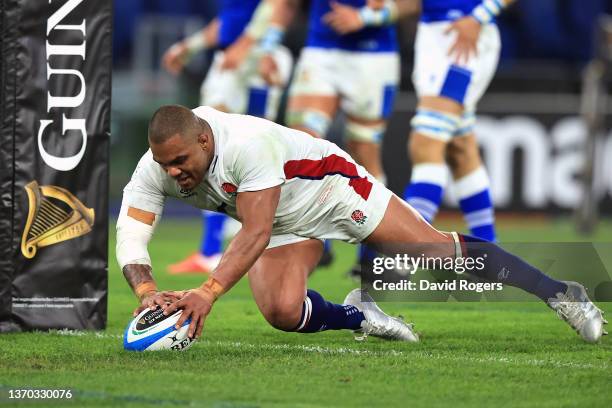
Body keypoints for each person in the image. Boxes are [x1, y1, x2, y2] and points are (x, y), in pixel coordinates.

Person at [116, 104, 607, 344]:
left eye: (181, 160)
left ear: (204, 139)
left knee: (436, 254)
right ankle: (361, 314)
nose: (174, 172)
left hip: (331, 189)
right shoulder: (154, 169)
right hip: (277, 217)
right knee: (283, 313)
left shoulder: (245, 144)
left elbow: (256, 231)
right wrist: (146, 293)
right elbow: (132, 237)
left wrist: (207, 290)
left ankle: (562, 292)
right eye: (166, 165)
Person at [261, 0, 419, 269]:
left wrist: (365, 17)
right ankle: (316, 240)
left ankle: (372, 256)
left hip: (373, 56)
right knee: (302, 145)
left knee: (364, 150)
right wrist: (268, 47)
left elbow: (412, 4)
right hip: (320, 53)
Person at [161, 0, 293, 274]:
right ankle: (210, 249)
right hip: (232, 57)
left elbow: (281, 5)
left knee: (259, 145)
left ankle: (274, 239)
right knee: (207, 141)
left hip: (259, 55)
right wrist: (189, 47)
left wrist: (256, 48)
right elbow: (229, 20)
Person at [404, 0, 515, 242]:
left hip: (465, 38)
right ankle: (488, 253)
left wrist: (479, 16)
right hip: (431, 37)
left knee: (425, 144)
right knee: (460, 148)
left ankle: (404, 255)